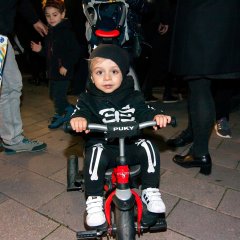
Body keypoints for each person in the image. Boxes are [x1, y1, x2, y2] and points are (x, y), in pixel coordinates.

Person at [70, 44, 171, 228]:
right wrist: (78, 120)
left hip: (130, 145)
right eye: (100, 72)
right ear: (91, 77)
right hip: (104, 147)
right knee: (96, 153)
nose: (107, 77)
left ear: (124, 74)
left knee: (148, 145)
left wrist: (156, 117)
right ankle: (94, 200)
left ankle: (151, 190)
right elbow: (78, 113)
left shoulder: (134, 96)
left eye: (114, 71)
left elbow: (144, 111)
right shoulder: (87, 98)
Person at [167, 0, 240, 175]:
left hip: (202, 14)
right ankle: (193, 132)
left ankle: (200, 153)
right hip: (223, 15)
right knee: (201, 79)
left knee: (199, 82)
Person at [0, 0, 48, 154]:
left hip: (2, 37)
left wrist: (33, 19)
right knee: (11, 86)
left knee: (11, 85)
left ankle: (12, 138)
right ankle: (12, 138)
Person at [31, 0, 81, 129]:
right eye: (48, 15)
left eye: (55, 15)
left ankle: (61, 114)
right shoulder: (51, 32)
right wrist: (40, 50)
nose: (51, 18)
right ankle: (70, 109)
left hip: (63, 71)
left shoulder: (66, 32)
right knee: (53, 94)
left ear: (63, 14)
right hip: (53, 71)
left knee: (58, 96)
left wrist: (66, 65)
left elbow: (76, 51)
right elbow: (50, 54)